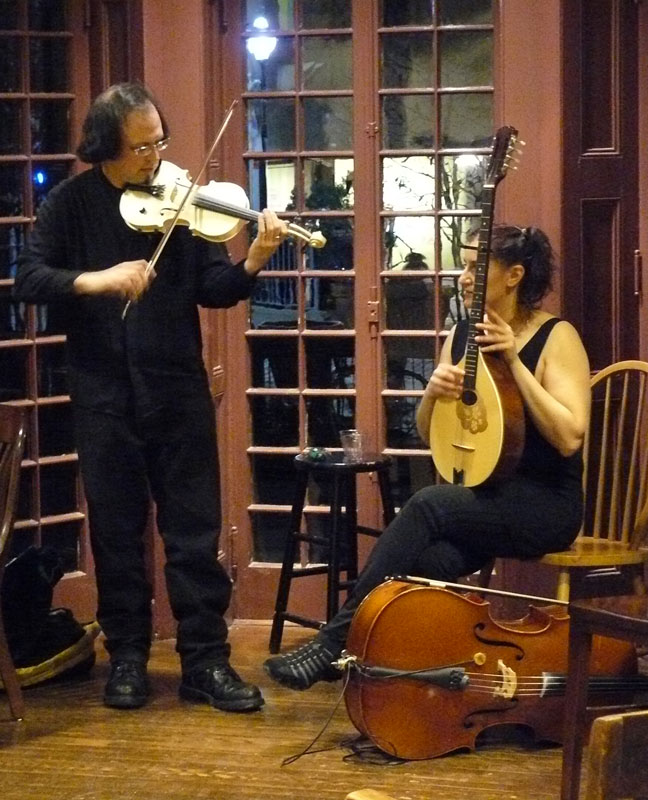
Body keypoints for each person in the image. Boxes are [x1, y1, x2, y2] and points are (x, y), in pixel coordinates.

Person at [14, 82, 289, 712]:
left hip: (177, 390)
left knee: (194, 531)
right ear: (105, 147)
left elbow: (214, 288)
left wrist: (253, 260)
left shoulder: (181, 199)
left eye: (160, 142)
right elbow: (27, 278)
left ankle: (205, 662)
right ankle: (128, 658)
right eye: (141, 147)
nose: (155, 157)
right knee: (116, 533)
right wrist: (98, 279)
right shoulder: (70, 203)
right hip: (102, 394)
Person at [264, 224, 591, 691]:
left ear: (514, 275)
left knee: (428, 503)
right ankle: (404, 673)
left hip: (546, 505)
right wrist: (433, 395)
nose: (464, 277)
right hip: (486, 497)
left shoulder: (556, 336)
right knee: (432, 560)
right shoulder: (461, 335)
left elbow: (569, 437)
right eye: (465, 265)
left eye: (477, 267)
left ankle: (334, 642)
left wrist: (516, 362)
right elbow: (427, 432)